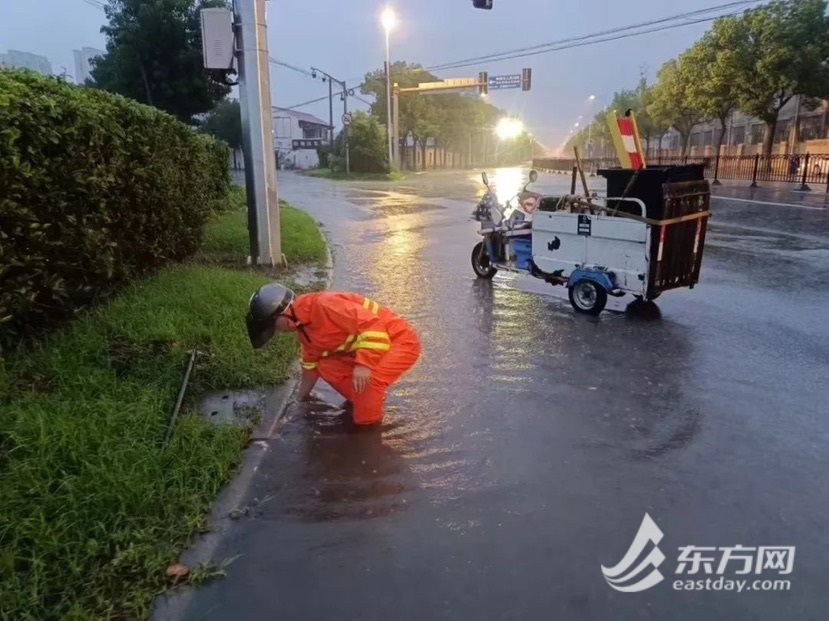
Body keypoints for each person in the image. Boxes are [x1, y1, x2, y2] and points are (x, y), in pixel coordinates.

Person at [245, 283, 421, 426]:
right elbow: (311, 367)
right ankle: (365, 401)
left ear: (284, 314)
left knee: (370, 380)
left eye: (275, 325)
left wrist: (364, 365)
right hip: (373, 345)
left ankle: (369, 429)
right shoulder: (304, 329)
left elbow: (373, 327)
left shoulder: (325, 305)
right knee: (325, 366)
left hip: (398, 340)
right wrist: (299, 399)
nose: (279, 331)